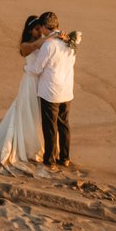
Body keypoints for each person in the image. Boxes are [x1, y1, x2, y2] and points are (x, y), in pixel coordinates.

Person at [0, 13, 51, 171]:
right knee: (26, 111)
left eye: (40, 29)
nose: (40, 32)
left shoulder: (41, 42)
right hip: (29, 83)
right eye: (37, 29)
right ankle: (25, 145)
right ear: (30, 30)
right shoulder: (26, 45)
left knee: (36, 115)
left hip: (40, 83)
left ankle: (37, 144)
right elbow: (36, 46)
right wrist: (53, 36)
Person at [25, 11, 77, 170]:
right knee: (64, 124)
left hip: (51, 91)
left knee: (50, 127)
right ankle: (65, 158)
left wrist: (26, 67)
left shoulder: (49, 45)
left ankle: (50, 160)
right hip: (67, 90)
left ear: (44, 27)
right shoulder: (69, 42)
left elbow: (37, 69)